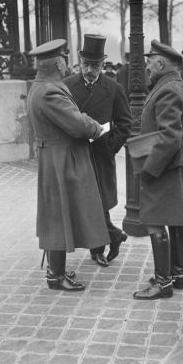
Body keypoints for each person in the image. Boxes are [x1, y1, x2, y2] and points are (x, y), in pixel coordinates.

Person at [27, 39, 111, 291]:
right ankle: (55, 276)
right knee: (58, 216)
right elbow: (76, 124)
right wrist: (96, 127)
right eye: (63, 58)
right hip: (61, 158)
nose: (66, 62)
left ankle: (58, 270)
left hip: (54, 156)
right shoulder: (50, 91)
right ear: (57, 63)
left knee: (57, 215)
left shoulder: (42, 87)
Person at [131, 40, 183, 300]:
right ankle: (177, 276)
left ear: (160, 63)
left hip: (165, 167)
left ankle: (163, 283)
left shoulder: (166, 90)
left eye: (149, 62)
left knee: (153, 219)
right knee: (175, 220)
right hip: (178, 164)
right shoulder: (181, 87)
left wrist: (150, 169)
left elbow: (169, 135)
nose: (147, 67)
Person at [64, 34, 132, 266]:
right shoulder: (67, 86)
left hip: (101, 154)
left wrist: (110, 147)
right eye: (86, 64)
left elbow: (125, 124)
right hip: (77, 153)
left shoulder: (113, 88)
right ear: (80, 62)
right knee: (84, 202)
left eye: (95, 65)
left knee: (99, 203)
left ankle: (98, 249)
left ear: (103, 65)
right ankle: (112, 237)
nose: (90, 69)